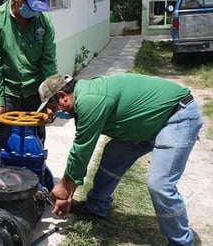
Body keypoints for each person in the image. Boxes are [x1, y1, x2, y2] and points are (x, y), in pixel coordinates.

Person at [37, 73, 203, 246]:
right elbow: (76, 117)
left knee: (160, 185)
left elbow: (81, 150)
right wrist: (69, 188)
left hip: (176, 117)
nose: (52, 113)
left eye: (52, 107)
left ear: (63, 96)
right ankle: (96, 207)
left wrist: (65, 187)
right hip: (147, 122)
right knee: (113, 153)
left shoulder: (90, 100)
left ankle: (181, 242)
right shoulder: (85, 91)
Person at [0, 0, 58, 167]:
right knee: (0, 144)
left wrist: (50, 99)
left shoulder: (44, 23)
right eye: (32, 5)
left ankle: (34, 188)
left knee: (35, 145)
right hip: (8, 93)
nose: (34, 12)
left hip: (35, 93)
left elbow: (48, 64)